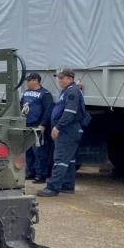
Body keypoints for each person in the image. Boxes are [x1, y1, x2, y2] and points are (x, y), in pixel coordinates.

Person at [38, 68, 86, 197]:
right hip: (71, 129)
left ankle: (53, 188)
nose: (59, 80)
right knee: (69, 160)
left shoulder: (72, 92)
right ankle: (67, 185)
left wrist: (58, 126)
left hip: (67, 130)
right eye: (58, 77)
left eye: (61, 77)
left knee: (60, 159)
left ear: (69, 79)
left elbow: (69, 112)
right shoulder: (70, 91)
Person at [21, 73, 54, 183]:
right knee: (28, 151)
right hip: (27, 125)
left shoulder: (45, 94)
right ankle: (31, 172)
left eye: (29, 80)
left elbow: (48, 110)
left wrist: (43, 124)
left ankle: (41, 175)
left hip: (38, 126)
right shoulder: (26, 92)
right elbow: (21, 105)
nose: (27, 82)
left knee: (39, 152)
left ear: (36, 80)